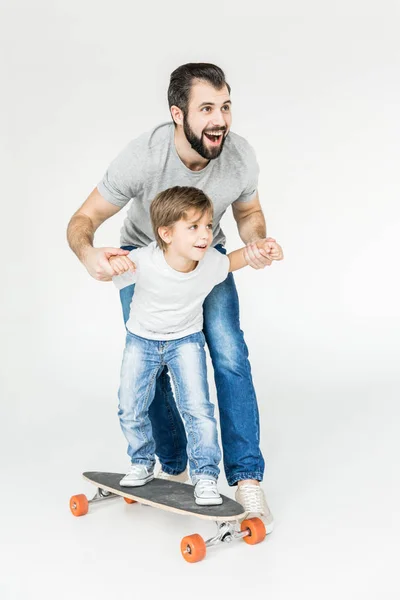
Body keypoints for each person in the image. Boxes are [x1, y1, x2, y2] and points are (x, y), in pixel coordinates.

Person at [67, 62, 283, 530]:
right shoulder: (141, 158)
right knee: (155, 360)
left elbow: (250, 211)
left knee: (228, 352)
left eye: (225, 106)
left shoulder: (239, 155)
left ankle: (246, 476)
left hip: (209, 254)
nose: (219, 119)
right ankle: (172, 464)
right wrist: (90, 257)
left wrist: (258, 241)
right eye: (206, 108)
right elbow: (82, 220)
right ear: (176, 114)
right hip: (144, 259)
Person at [111, 186, 281, 506]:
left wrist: (264, 248)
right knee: (130, 406)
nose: (205, 234)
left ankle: (204, 475)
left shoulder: (210, 263)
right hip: (142, 341)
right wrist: (107, 264)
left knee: (198, 410)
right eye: (193, 227)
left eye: (207, 225)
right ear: (166, 233)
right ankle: (142, 462)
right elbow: (108, 269)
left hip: (185, 342)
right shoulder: (140, 261)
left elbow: (236, 259)